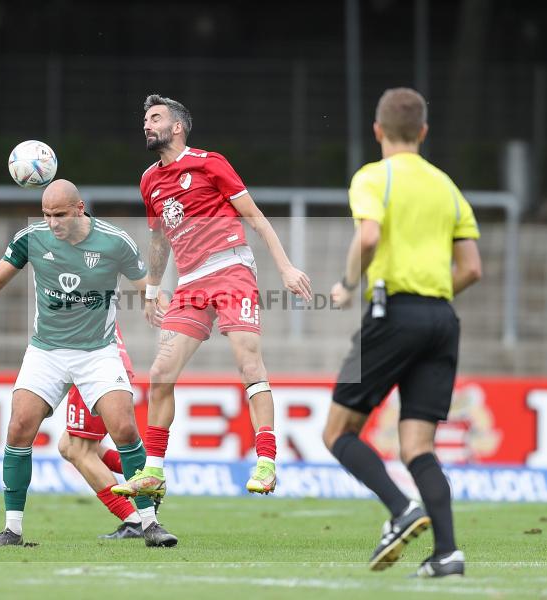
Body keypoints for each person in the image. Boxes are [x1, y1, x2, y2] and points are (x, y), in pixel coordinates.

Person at [112, 94, 313, 515]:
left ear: (178, 127)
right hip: (189, 282)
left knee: (248, 363)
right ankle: (154, 469)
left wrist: (287, 269)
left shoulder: (210, 163)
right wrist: (151, 289)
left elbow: (255, 218)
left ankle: (266, 462)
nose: (146, 125)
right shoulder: (149, 179)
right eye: (144, 119)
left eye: (155, 118)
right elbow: (158, 240)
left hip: (231, 268)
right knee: (162, 372)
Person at [325, 87, 482, 578]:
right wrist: (433, 293)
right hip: (442, 320)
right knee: (418, 445)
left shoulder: (375, 177)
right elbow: (472, 268)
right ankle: (448, 553)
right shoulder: (446, 186)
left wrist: (349, 285)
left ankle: (401, 509)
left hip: (394, 315)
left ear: (377, 131)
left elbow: (368, 236)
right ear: (424, 132)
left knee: (337, 432)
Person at [0, 179, 177, 548]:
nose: (52, 223)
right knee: (19, 427)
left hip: (97, 351)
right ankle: (12, 529)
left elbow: (147, 284)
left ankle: (150, 524)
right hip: (46, 351)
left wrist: (158, 305)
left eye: (60, 215)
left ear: (79, 208)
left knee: (125, 428)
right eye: (47, 215)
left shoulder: (114, 241)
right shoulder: (30, 238)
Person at [57, 324, 157, 540]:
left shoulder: (73, 294)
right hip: (107, 362)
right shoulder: (98, 293)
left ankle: (133, 519)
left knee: (79, 450)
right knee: (67, 445)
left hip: (92, 367)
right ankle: (150, 473)